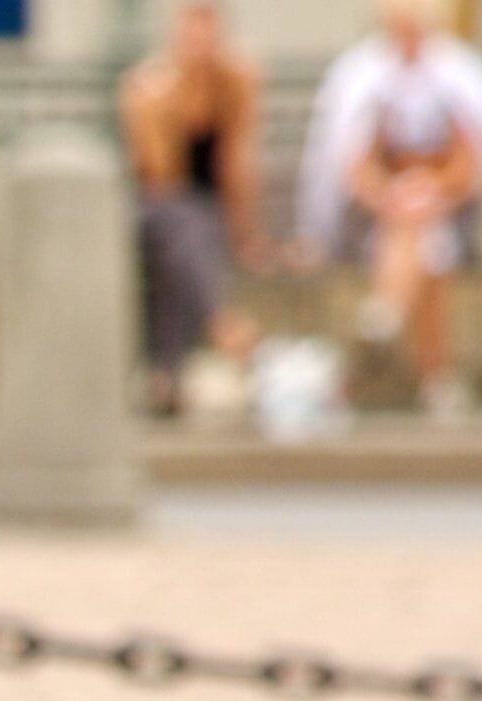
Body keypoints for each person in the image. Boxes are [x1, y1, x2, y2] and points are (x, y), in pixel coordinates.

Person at [301, 0, 482, 422]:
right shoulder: (361, 76)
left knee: (425, 233)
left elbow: (470, 165)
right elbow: (355, 167)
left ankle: (381, 320)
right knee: (427, 243)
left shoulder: (460, 76)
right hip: (373, 219)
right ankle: (437, 379)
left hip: (449, 211)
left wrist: (428, 190)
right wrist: (393, 196)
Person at [121, 0, 267, 416]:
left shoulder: (235, 81)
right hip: (154, 211)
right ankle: (219, 320)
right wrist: (173, 102)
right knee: (183, 219)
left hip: (206, 220)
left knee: (185, 247)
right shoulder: (147, 87)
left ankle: (165, 375)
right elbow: (161, 175)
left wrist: (246, 235)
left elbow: (237, 165)